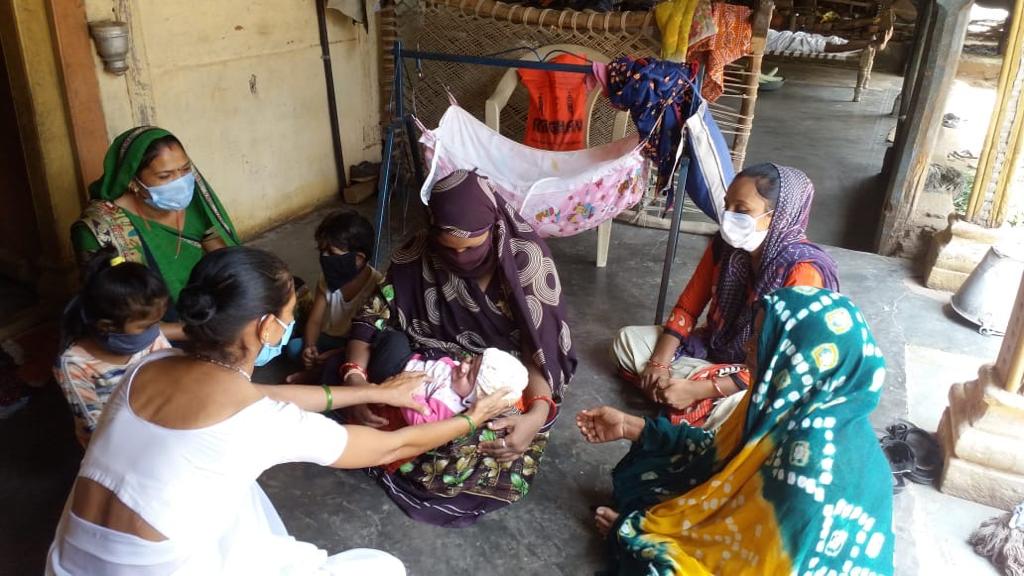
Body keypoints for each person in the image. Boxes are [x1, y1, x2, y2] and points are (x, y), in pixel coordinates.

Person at [46, 246, 508, 574]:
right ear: (266, 328)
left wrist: (376, 393)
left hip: (68, 563)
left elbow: (267, 401)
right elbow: (395, 443)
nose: (291, 323)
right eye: (289, 313)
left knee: (234, 485)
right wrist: (471, 419)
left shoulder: (148, 367)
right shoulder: (251, 421)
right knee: (382, 568)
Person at [577, 287, 894, 575]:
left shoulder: (808, 475)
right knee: (656, 485)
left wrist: (640, 538)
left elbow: (748, 563)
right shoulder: (798, 410)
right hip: (764, 539)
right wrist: (633, 427)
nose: (749, 346)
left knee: (651, 558)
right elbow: (721, 453)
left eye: (760, 338)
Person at [343, 169, 578, 527]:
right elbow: (374, 314)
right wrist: (354, 381)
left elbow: (540, 350)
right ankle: (398, 432)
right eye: (450, 249)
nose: (461, 258)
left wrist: (536, 414)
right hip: (426, 362)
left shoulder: (525, 261)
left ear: (494, 225)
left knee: (489, 433)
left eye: (472, 247)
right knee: (383, 372)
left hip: (500, 372)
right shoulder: (417, 254)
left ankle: (402, 443)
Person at [612, 163, 839, 427]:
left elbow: (788, 364)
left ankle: (689, 395)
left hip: (764, 373)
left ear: (778, 216)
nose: (729, 217)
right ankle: (683, 398)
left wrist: (700, 389)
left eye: (742, 211)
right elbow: (688, 308)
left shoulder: (803, 271)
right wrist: (659, 363)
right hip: (715, 350)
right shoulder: (726, 246)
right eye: (727, 206)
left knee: (741, 407)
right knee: (626, 341)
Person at [71, 126, 240, 339]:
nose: (181, 182)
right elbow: (118, 319)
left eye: (186, 170)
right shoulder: (100, 230)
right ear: (132, 181)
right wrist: (200, 332)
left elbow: (229, 263)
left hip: (202, 311)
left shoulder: (193, 205)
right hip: (148, 333)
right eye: (165, 176)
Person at [54, 247, 172, 447]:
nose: (155, 331)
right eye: (145, 326)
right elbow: (95, 427)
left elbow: (173, 378)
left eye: (156, 323)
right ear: (107, 326)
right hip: (115, 446)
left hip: (158, 427)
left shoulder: (150, 338)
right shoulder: (74, 364)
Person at [285, 210, 383, 374]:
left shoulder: (376, 285)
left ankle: (318, 372)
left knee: (363, 360)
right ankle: (321, 370)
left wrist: (340, 352)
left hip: (356, 344)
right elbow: (315, 321)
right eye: (322, 251)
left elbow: (372, 337)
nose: (324, 257)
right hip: (328, 338)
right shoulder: (327, 280)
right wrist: (310, 347)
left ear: (358, 257)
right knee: (295, 348)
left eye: (331, 253)